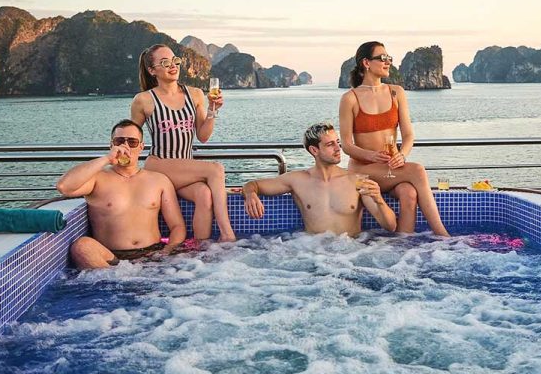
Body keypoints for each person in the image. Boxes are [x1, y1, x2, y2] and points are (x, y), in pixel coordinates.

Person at [339, 41, 450, 236]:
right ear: (366, 62)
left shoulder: (396, 92)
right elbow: (346, 145)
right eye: (382, 58)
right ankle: (443, 236)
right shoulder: (350, 98)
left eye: (389, 58)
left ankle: (401, 247)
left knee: (409, 192)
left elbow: (408, 135)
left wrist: (402, 155)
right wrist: (371, 156)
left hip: (390, 169)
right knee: (417, 170)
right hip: (363, 171)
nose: (388, 62)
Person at [130, 44, 236, 242]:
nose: (173, 65)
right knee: (216, 169)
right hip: (159, 166)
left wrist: (213, 109)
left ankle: (199, 251)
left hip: (183, 171)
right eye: (164, 62)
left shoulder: (194, 94)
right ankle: (227, 234)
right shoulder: (144, 100)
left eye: (174, 60)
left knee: (204, 194)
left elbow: (203, 136)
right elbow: (131, 138)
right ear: (152, 70)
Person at [56, 119, 187, 269]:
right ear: (112, 145)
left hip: (153, 254)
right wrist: (106, 159)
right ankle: (116, 283)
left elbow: (177, 226)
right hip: (112, 258)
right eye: (119, 141)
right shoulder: (98, 179)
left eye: (132, 142)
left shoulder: (158, 180)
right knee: (81, 247)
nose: (125, 147)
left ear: (141, 147)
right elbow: (64, 186)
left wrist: (166, 252)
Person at [242, 122, 397, 236]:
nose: (338, 148)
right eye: (330, 145)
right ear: (314, 150)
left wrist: (379, 200)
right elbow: (253, 185)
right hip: (314, 254)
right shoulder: (297, 180)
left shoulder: (356, 180)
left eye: (337, 143)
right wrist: (250, 194)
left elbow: (391, 226)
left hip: (350, 254)